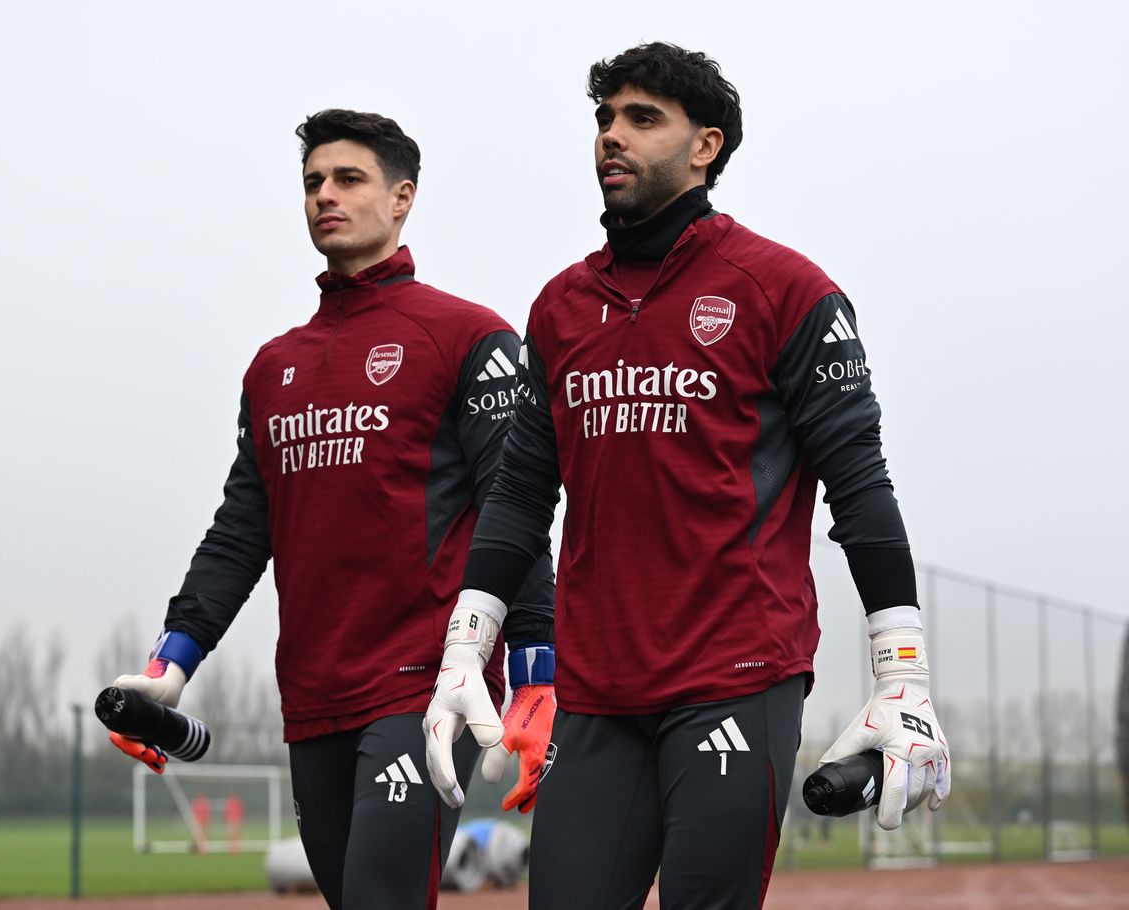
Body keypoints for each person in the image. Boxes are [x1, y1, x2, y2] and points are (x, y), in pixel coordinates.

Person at [424, 43, 951, 909]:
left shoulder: (787, 290)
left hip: (736, 676)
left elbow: (860, 488)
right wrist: (465, 647)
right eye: (603, 119)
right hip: (596, 691)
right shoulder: (559, 308)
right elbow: (520, 495)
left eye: (641, 118)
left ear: (705, 146)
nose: (611, 137)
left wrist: (904, 675)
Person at [108, 108, 554, 910]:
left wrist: (534, 664)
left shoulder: (470, 337)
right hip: (311, 692)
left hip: (421, 684)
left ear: (402, 198)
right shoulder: (275, 366)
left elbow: (512, 505)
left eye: (348, 179)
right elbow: (243, 530)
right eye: (312, 182)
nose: (325, 196)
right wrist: (171, 660)